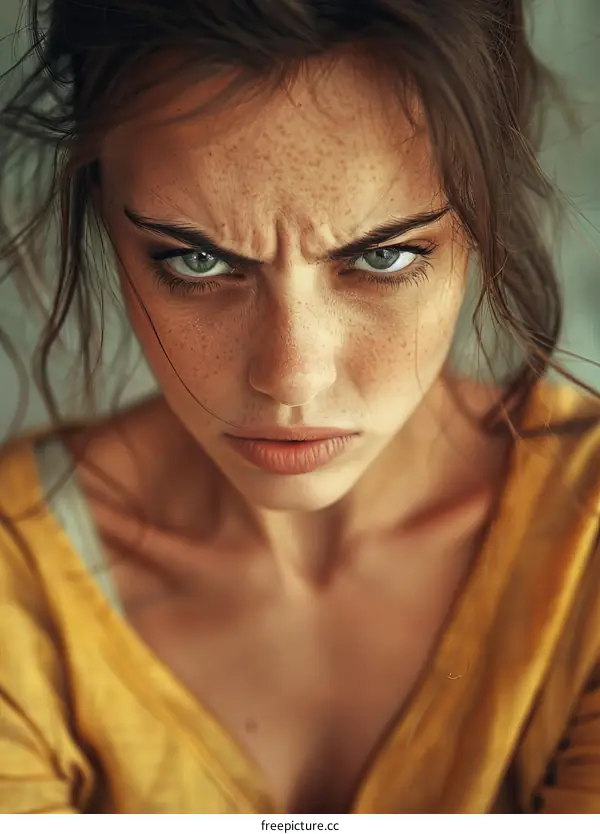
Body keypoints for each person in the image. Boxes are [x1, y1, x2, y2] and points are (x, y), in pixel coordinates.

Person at [0, 0, 599, 815]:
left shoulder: (586, 546)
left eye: (382, 256)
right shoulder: (15, 572)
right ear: (105, 213)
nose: (292, 378)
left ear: (480, 218)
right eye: (198, 260)